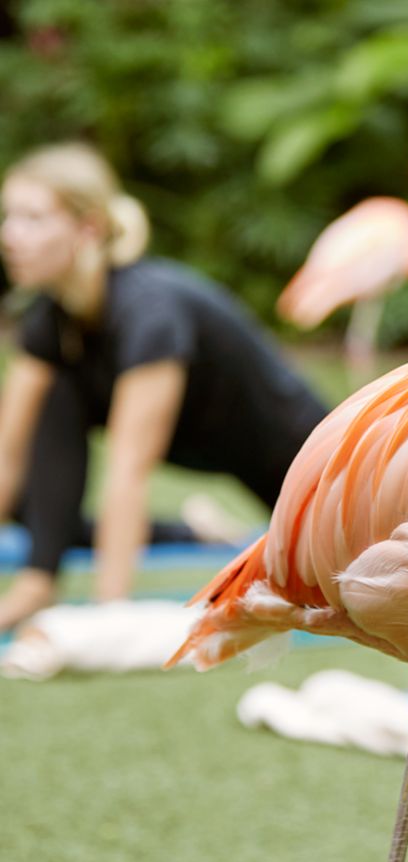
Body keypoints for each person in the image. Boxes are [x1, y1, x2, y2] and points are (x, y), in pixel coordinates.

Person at [0, 142, 327, 632]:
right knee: (51, 412)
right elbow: (7, 456)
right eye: (8, 216)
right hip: (213, 450)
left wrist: (109, 619)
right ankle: (37, 582)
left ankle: (176, 549)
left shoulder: (149, 310)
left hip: (298, 457)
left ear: (87, 227)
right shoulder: (50, 321)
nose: (9, 235)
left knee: (341, 582)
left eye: (32, 218)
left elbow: (129, 472)